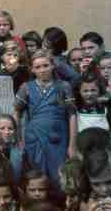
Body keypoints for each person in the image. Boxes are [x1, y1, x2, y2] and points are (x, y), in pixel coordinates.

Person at [14, 49, 77, 190]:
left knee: (59, 176)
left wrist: (72, 145)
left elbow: (72, 114)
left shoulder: (63, 86)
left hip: (58, 136)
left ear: (52, 65)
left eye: (45, 65)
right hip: (34, 137)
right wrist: (18, 138)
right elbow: (16, 112)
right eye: (37, 67)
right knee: (37, 176)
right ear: (32, 69)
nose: (42, 70)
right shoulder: (26, 87)